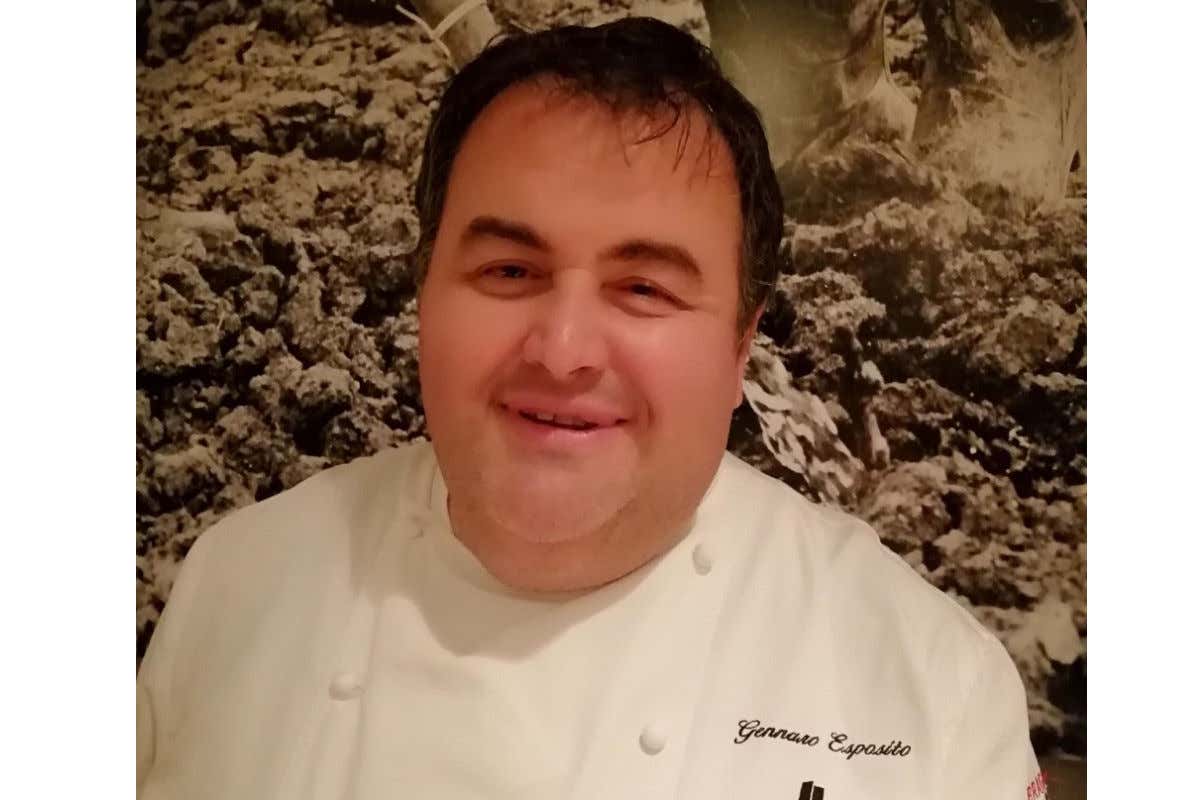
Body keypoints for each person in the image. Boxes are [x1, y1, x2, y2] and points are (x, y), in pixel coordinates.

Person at [136, 17, 1046, 800]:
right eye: (509, 271)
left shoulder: (933, 690)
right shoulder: (238, 589)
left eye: (644, 288)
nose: (562, 349)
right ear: (424, 292)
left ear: (741, 344)